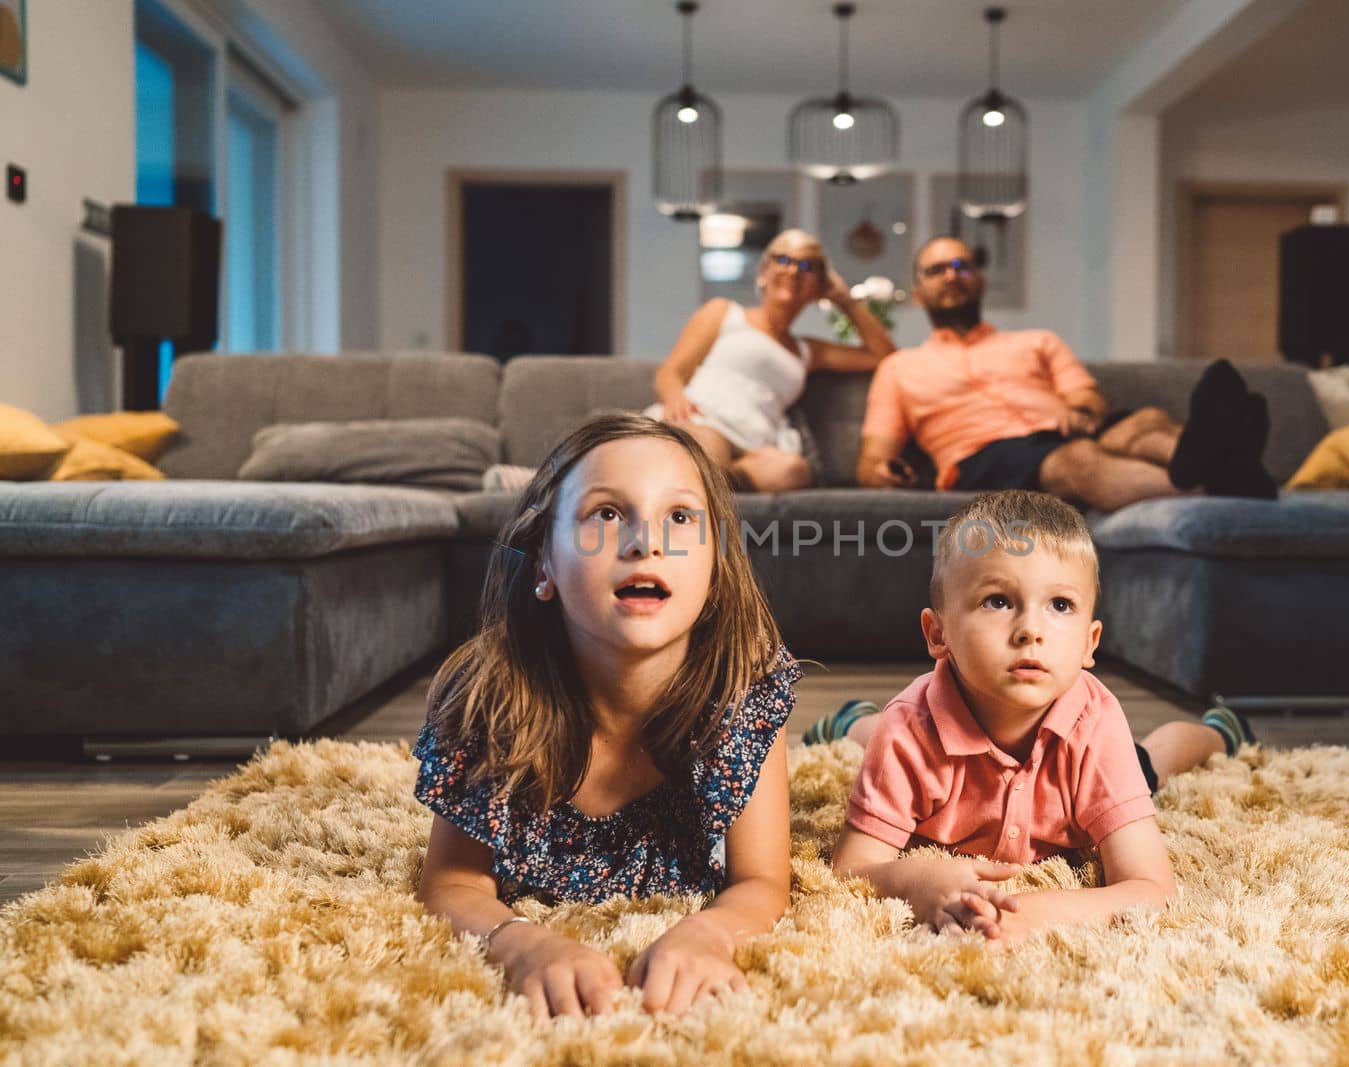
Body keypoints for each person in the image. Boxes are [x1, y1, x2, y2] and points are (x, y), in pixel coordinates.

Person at [413, 412, 800, 1018]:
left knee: (864, 735)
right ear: (543, 564)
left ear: (716, 572)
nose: (645, 541)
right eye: (607, 513)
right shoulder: (487, 697)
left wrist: (708, 933)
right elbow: (452, 881)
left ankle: (852, 721)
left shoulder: (743, 692)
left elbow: (761, 882)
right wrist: (520, 944)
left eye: (679, 517)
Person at [818, 490, 1253, 944]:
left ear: (1090, 642)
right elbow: (850, 870)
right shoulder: (908, 729)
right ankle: (853, 721)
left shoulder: (1097, 725)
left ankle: (1218, 731)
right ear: (937, 633)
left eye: (1060, 605)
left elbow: (1154, 890)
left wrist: (1035, 913)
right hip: (914, 726)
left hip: (1086, 769)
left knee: (1156, 759)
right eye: (998, 601)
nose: (1031, 630)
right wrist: (917, 881)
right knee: (886, 732)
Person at [856, 236, 1276, 511]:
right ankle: (1229, 475)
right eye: (937, 269)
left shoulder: (1038, 341)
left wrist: (1082, 409)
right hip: (983, 455)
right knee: (1078, 460)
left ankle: (1219, 455)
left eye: (963, 266)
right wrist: (881, 472)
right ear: (918, 293)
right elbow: (872, 460)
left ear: (981, 282)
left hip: (1065, 430)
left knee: (1145, 421)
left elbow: (1087, 397)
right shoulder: (898, 368)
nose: (952, 275)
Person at [650, 228, 897, 492]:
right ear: (763, 272)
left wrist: (845, 301)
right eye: (783, 260)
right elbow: (670, 371)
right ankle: (706, 473)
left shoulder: (807, 351)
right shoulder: (724, 313)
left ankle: (714, 478)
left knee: (792, 470)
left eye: (806, 266)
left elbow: (885, 357)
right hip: (705, 420)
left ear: (819, 287)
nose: (793, 271)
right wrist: (675, 397)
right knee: (706, 445)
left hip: (756, 444)